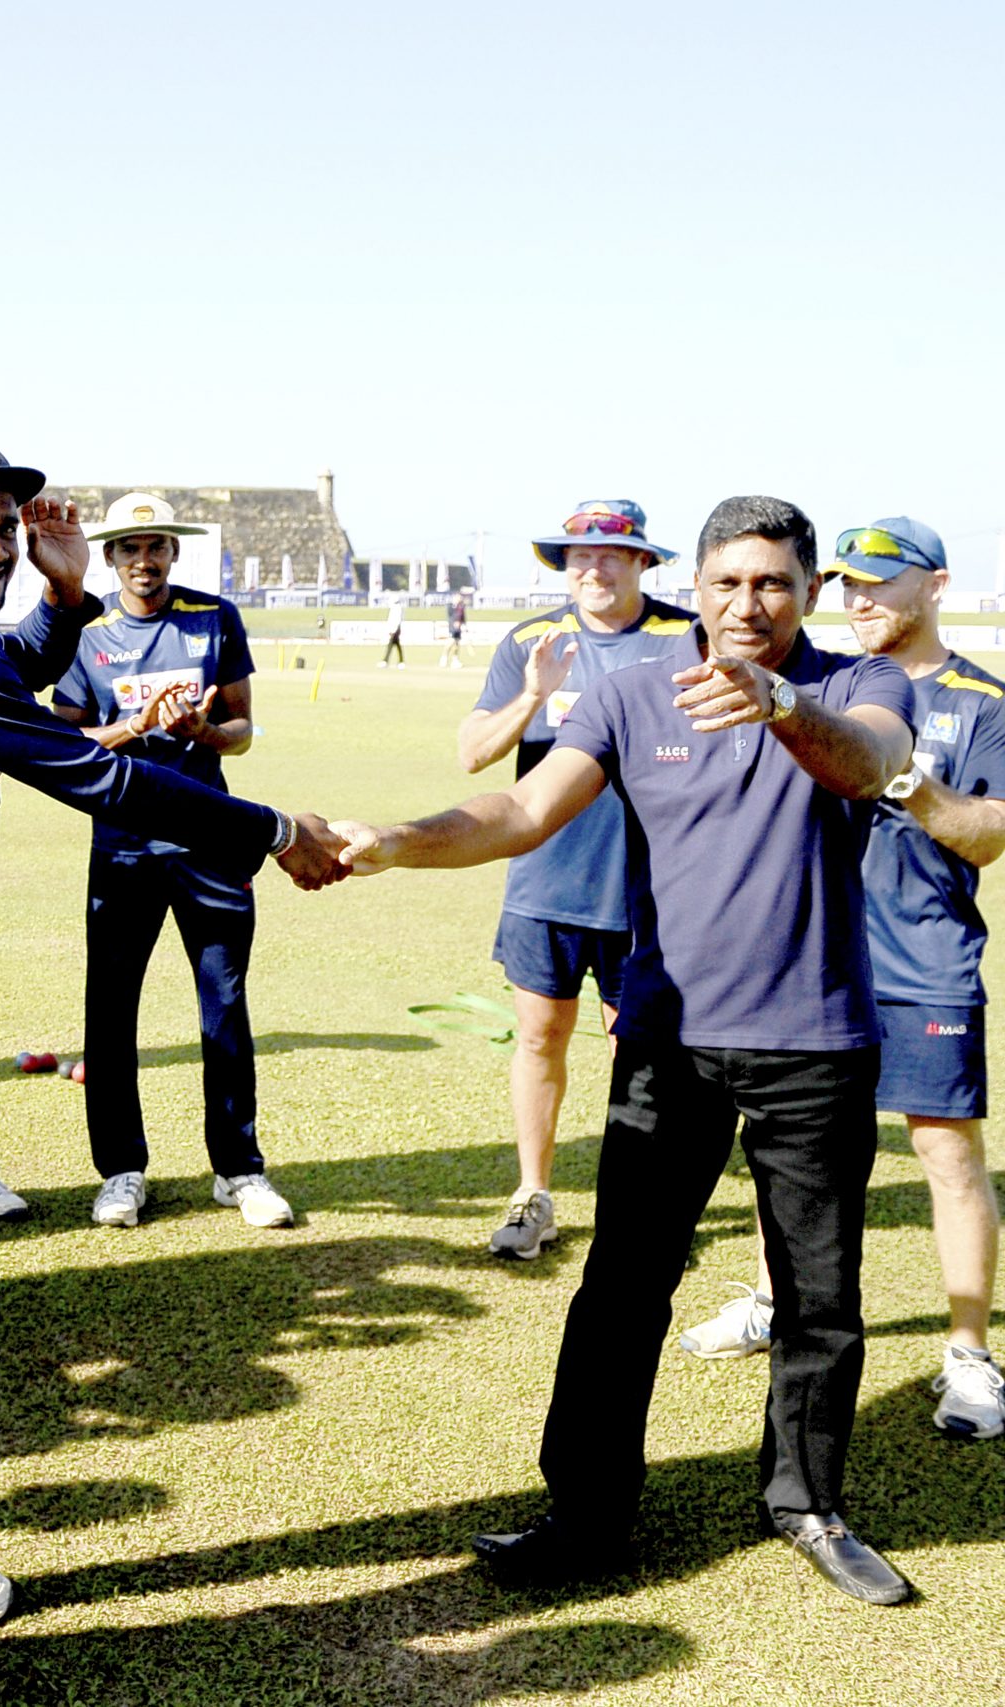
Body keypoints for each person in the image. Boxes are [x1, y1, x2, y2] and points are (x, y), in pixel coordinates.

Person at [0, 433, 348, 1706]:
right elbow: (101, 777)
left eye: (5, 523)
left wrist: (62, 592)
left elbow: (8, 670)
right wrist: (274, 827)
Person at [333, 496, 920, 1605]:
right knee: (622, 1286)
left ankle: (806, 1503)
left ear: (808, 590)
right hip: (667, 1039)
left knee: (819, 1295)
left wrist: (778, 703)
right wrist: (399, 842)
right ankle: (588, 1513)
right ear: (693, 587)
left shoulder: (858, 683)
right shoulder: (630, 691)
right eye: (727, 582)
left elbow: (868, 764)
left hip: (814, 1043)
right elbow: (522, 811)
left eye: (774, 583)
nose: (748, 604)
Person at [672, 517, 1003, 1440]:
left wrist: (895, 776)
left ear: (935, 586)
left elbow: (987, 836)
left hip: (922, 961)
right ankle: (771, 1300)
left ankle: (969, 1352)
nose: (862, 599)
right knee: (790, 1150)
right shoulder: (814, 681)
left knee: (947, 1155)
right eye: (849, 583)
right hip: (808, 960)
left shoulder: (980, 702)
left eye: (883, 581)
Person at [457, 501, 692, 1259]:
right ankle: (533, 1194)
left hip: (650, 891)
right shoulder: (532, 641)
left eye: (612, 555)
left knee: (641, 1055)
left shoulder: (684, 638)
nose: (594, 569)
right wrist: (533, 694)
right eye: (579, 556)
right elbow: (473, 753)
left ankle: (638, 1206)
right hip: (547, 883)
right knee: (538, 1036)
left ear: (643, 561)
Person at [51, 493, 291, 1231]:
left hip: (210, 842)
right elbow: (63, 741)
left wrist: (205, 733)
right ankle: (121, 1170)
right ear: (112, 557)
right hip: (123, 845)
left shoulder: (213, 617)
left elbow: (242, 728)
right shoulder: (89, 635)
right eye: (130, 548)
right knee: (111, 1010)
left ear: (173, 552)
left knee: (225, 1002)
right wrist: (133, 727)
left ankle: (238, 1168)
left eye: (156, 546)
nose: (144, 560)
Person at [442, 589, 469, 670]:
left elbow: (463, 617)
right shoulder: (451, 606)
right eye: (458, 597)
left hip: (459, 627)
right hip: (453, 626)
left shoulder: (461, 607)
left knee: (457, 644)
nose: (459, 599)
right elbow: (450, 615)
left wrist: (464, 625)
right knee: (451, 641)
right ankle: (444, 657)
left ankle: (455, 660)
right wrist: (455, 622)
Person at [381, 593, 408, 667]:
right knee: (397, 645)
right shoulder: (395, 608)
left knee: (390, 645)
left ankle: (386, 661)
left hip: (395, 630)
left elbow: (397, 620)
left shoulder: (397, 608)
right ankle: (401, 662)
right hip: (394, 629)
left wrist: (393, 630)